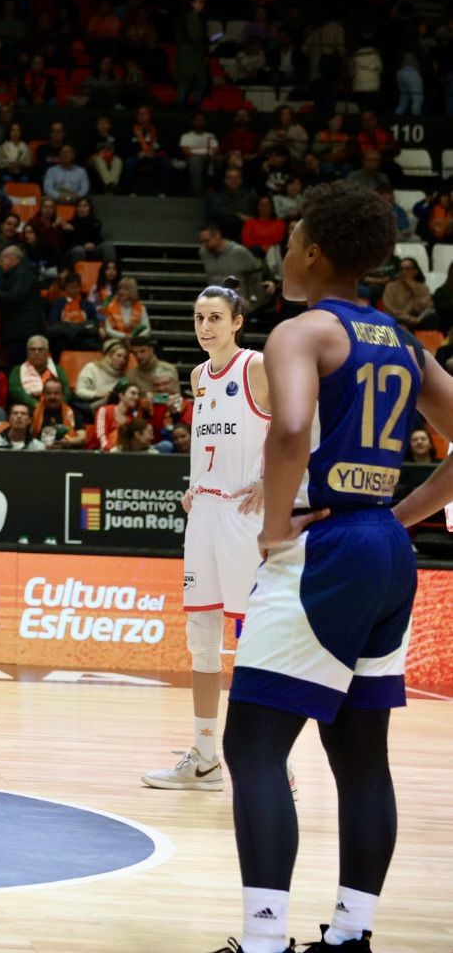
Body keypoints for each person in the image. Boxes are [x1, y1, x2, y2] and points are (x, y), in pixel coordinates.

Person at [211, 181, 430, 953]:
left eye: (292, 238)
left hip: (328, 550)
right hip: (386, 548)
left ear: (312, 252)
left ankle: (264, 941)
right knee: (362, 755)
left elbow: (292, 427)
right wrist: (399, 515)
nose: (285, 252)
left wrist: (274, 528)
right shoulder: (401, 339)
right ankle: (352, 935)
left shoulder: (302, 332)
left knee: (255, 748)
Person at [141, 278, 268, 791]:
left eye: (215, 317)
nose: (205, 326)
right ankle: (205, 756)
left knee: (255, 640)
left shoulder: (256, 367)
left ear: (237, 323)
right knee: (202, 642)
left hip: (245, 515)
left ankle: (270, 757)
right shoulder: (196, 376)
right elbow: (204, 440)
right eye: (198, 318)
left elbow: (303, 425)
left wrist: (271, 479)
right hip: (205, 516)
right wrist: (194, 487)